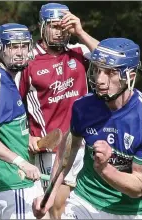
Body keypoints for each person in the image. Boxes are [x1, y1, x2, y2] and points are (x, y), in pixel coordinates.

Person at [33, 37, 142, 219]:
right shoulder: (83, 107)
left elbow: (138, 188)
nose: (100, 80)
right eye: (97, 70)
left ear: (129, 76)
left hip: (128, 212)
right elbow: (68, 148)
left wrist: (105, 169)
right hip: (84, 202)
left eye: (110, 73)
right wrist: (50, 193)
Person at [17, 3, 99, 218]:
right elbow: (12, 106)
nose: (59, 31)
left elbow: (111, 59)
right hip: (52, 149)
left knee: (85, 207)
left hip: (86, 145)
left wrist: (80, 32)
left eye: (63, 27)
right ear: (41, 26)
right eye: (53, 26)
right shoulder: (28, 62)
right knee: (57, 207)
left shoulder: (79, 52)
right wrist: (26, 137)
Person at [0, 23, 45, 219]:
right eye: (13, 46)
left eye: (24, 46)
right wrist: (22, 163)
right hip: (13, 181)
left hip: (21, 180)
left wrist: (25, 137)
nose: (20, 52)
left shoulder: (6, 81)